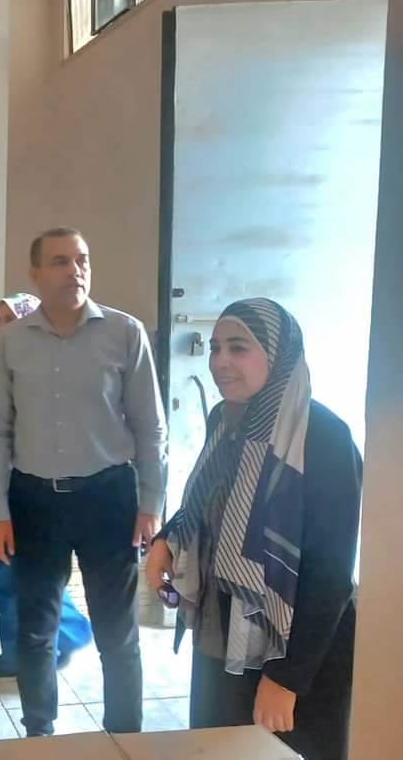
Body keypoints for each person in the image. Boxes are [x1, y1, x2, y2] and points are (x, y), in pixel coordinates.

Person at [146, 298, 361, 760]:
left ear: (278, 354)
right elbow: (207, 502)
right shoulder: (225, 420)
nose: (220, 361)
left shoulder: (324, 438)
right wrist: (168, 538)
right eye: (215, 347)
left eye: (238, 348)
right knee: (219, 749)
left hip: (298, 649)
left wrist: (286, 678)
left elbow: (331, 575)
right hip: (223, 632)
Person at [0, 227, 167, 737]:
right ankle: (39, 732)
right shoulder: (11, 341)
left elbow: (150, 427)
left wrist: (151, 504)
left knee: (117, 633)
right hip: (34, 502)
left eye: (81, 259)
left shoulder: (125, 333)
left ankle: (124, 738)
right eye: (60, 261)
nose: (75, 270)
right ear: (36, 274)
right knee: (35, 631)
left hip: (109, 498)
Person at [0, 293, 93, 681]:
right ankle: (52, 640)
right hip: (7, 493)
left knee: (19, 578)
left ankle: (45, 644)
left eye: (11, 319)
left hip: (33, 493)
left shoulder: (42, 375)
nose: (4, 327)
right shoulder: (3, 366)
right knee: (15, 576)